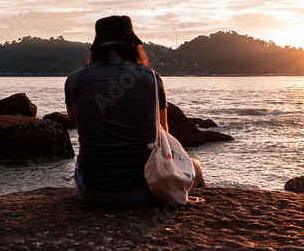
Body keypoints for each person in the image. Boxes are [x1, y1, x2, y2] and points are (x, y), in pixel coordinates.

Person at [64, 14, 203, 209]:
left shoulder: (74, 80)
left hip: (93, 192)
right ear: (132, 45)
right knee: (195, 167)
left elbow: (77, 123)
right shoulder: (152, 79)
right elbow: (162, 131)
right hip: (143, 193)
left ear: (96, 48)